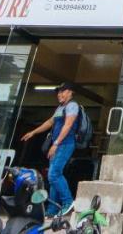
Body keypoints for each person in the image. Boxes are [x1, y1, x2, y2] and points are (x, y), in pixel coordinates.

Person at [22, 82, 81, 218]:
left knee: (54, 174)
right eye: (58, 92)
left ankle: (68, 202)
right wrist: (33, 132)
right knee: (54, 176)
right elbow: (49, 123)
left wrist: (55, 144)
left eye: (63, 91)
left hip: (65, 144)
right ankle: (52, 209)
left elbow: (68, 126)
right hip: (58, 144)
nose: (59, 94)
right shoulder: (61, 108)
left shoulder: (72, 106)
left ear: (71, 92)